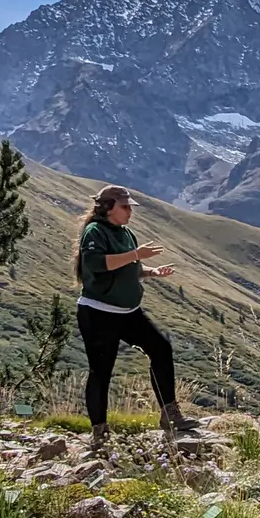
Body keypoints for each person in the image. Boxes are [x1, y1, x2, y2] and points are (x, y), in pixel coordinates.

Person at [74, 185, 198, 453]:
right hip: (98, 312)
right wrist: (135, 255)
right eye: (125, 207)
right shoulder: (94, 232)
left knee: (161, 349)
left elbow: (130, 267)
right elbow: (96, 264)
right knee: (101, 371)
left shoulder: (125, 232)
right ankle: (99, 432)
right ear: (108, 207)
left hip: (128, 312)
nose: (130, 212)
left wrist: (151, 272)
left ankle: (170, 415)